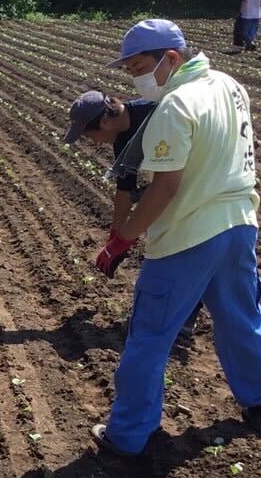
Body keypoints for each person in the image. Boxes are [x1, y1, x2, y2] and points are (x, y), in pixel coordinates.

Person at [89, 18, 261, 458]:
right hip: (239, 224)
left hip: (189, 236)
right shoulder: (230, 84)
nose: (134, 78)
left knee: (150, 336)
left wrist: (124, 238)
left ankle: (127, 436)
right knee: (241, 316)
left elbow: (164, 188)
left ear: (171, 58)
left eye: (139, 66)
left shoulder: (176, 105)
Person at [63, 90, 205, 341]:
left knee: (187, 243)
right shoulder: (121, 138)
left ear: (105, 122)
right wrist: (115, 238)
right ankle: (184, 315)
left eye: (90, 135)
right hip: (176, 182)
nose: (94, 142)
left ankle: (185, 315)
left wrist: (125, 237)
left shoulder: (157, 113)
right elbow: (125, 190)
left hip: (202, 177)